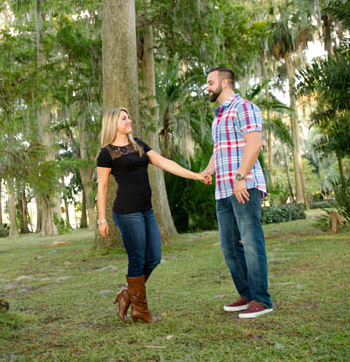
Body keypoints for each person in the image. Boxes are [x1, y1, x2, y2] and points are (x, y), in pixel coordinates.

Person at [96, 107, 209, 323]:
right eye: (124, 118)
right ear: (113, 123)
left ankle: (128, 294)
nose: (129, 120)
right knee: (137, 258)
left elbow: (165, 163)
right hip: (127, 213)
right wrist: (102, 219)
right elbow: (102, 187)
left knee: (154, 256)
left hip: (146, 210)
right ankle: (141, 309)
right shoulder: (107, 152)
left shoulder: (138, 145)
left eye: (129, 116)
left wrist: (195, 175)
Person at [202, 67, 274, 319]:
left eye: (210, 82)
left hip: (244, 186)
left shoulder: (244, 107)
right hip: (223, 190)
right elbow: (218, 149)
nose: (207, 87)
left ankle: (262, 300)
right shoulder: (219, 115)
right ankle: (247, 294)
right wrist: (208, 170)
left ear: (224, 82)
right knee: (229, 246)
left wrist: (241, 177)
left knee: (252, 242)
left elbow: (254, 144)